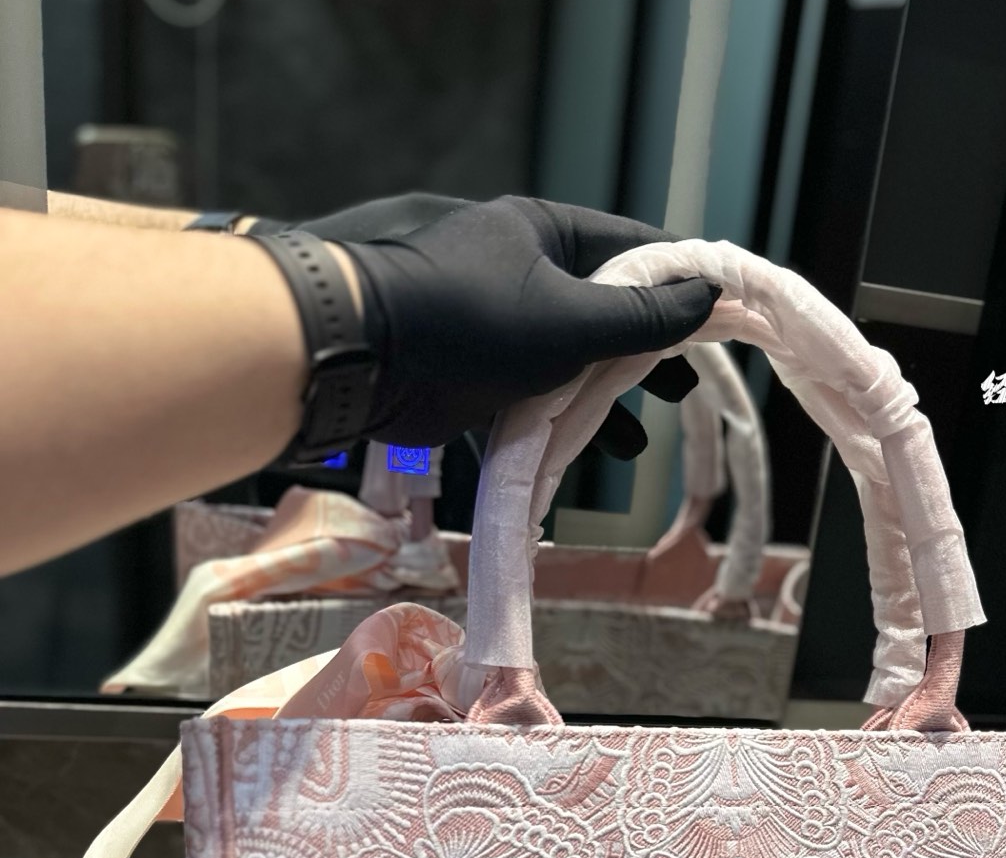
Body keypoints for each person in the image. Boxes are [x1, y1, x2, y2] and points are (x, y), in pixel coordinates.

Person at [0, 191, 719, 578]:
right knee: (410, 463)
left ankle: (410, 534)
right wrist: (350, 303)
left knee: (415, 462)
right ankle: (407, 533)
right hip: (394, 453)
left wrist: (271, 248)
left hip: (405, 455)